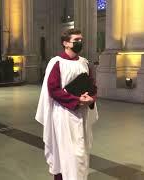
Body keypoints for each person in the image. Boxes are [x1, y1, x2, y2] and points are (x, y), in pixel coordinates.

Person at [35, 29, 99, 180]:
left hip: (82, 114)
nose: (79, 43)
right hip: (64, 114)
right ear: (65, 43)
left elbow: (92, 86)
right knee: (67, 154)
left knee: (81, 154)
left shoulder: (84, 63)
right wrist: (77, 100)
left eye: (81, 40)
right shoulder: (57, 63)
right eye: (76, 40)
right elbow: (53, 89)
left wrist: (91, 99)